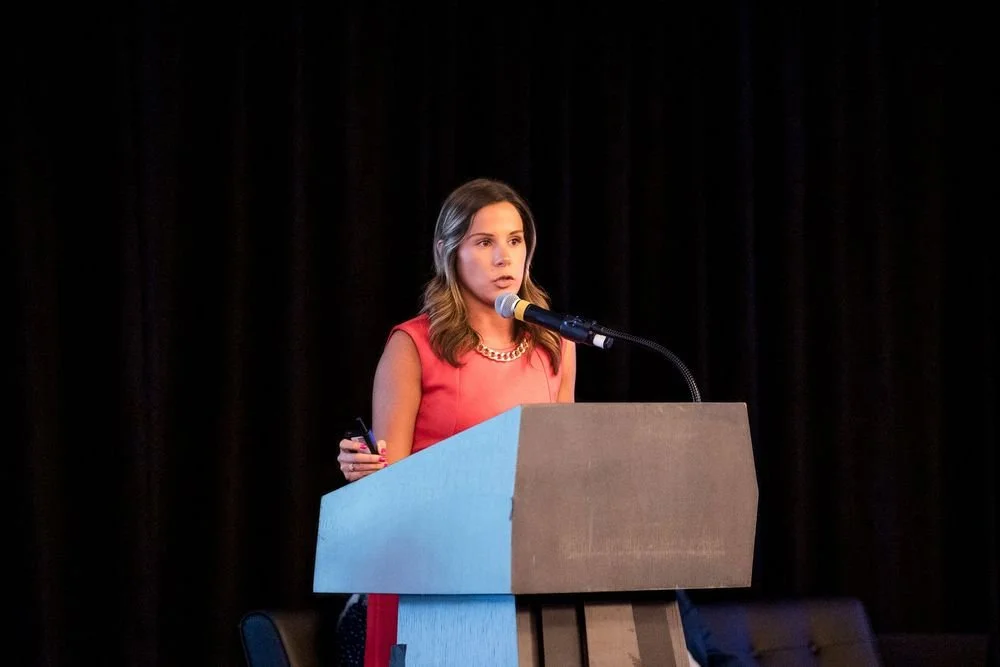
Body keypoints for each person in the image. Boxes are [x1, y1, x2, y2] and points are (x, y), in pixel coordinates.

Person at [333, 178, 745, 667]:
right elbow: (391, 481)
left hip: (536, 560)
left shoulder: (556, 342)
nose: (504, 258)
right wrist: (365, 469)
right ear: (449, 253)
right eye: (484, 243)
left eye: (514, 241)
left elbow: (561, 470)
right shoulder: (413, 345)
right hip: (441, 568)